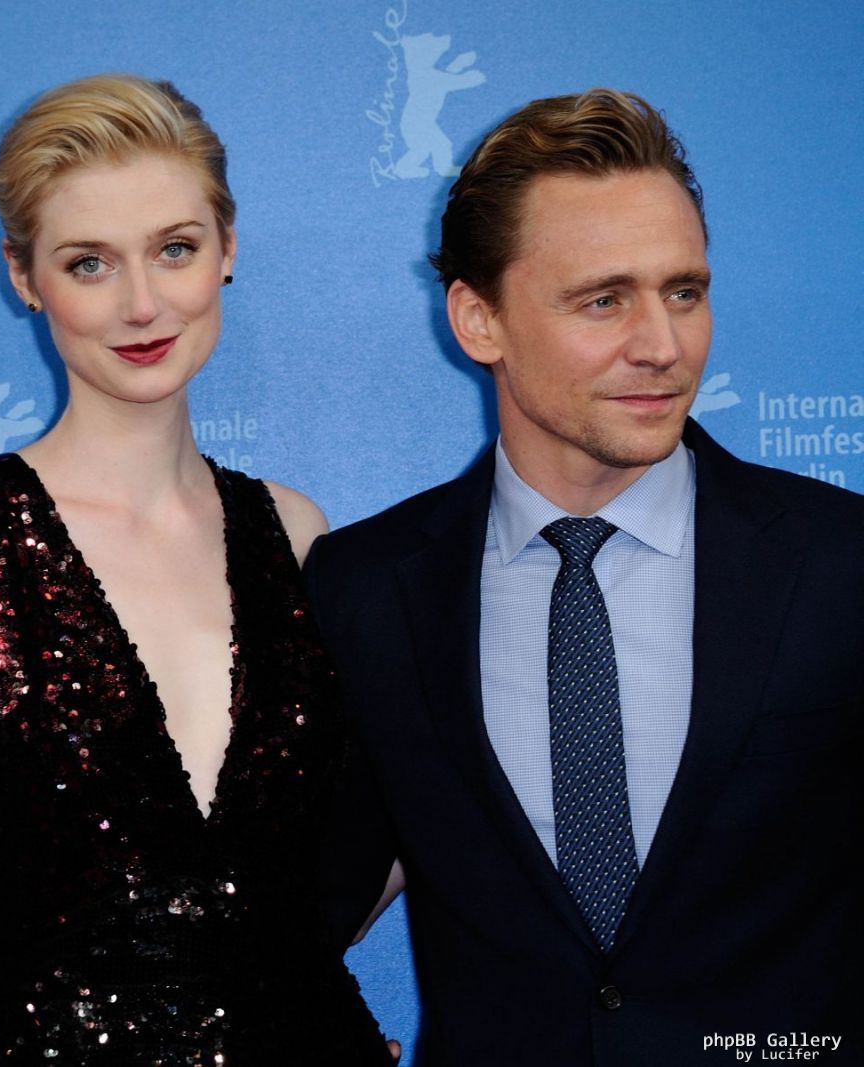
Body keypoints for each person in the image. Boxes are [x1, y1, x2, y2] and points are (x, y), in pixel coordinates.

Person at [305, 88, 863, 1066]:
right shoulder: (368, 589)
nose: (662, 344)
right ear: (478, 319)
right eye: (604, 299)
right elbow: (298, 904)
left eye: (683, 291)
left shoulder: (840, 562)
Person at [0, 74, 395, 1064]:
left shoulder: (295, 531)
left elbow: (354, 855)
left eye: (174, 249)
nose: (142, 303)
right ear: (23, 276)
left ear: (227, 250)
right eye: (88, 262)